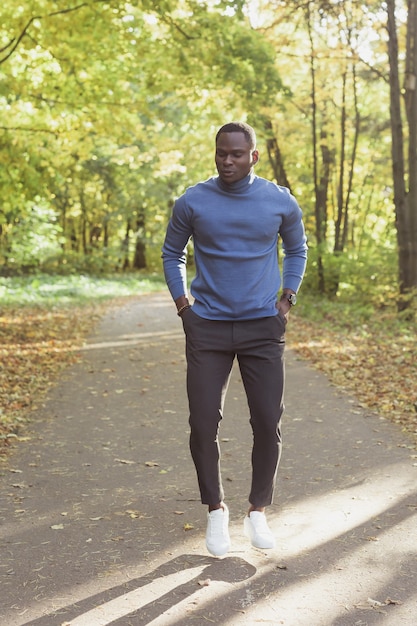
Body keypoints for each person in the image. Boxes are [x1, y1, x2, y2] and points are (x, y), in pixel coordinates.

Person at [162, 121, 307, 556]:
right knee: (203, 422)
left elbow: (297, 248)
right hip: (207, 326)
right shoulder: (193, 200)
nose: (228, 161)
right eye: (221, 153)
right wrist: (182, 304)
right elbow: (173, 253)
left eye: (237, 154)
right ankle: (215, 511)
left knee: (267, 421)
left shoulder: (278, 201)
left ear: (253, 157)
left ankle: (258, 511)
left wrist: (288, 296)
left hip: (263, 327)